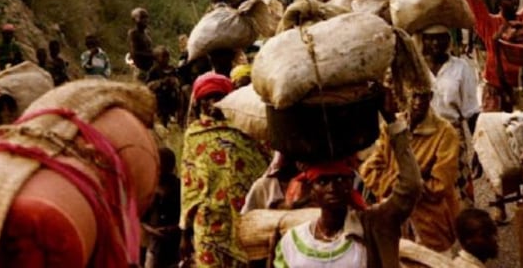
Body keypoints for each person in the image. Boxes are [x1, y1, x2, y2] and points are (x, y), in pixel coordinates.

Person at [273, 110, 421, 268]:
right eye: (323, 181)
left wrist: (393, 123)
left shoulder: (374, 225)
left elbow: (411, 186)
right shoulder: (292, 243)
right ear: (311, 189)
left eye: (340, 179)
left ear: (351, 182)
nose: (332, 187)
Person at [360, 80, 460, 253]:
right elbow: (368, 171)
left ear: (431, 97)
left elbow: (440, 186)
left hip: (431, 225)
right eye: (414, 95)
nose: (418, 102)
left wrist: (396, 181)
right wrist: (414, 178)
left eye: (424, 96)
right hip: (394, 223)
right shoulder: (390, 127)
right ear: (405, 95)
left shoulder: (445, 132)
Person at [180, 73, 269, 267]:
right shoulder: (194, 135)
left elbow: (263, 167)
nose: (213, 103)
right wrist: (185, 232)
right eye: (207, 98)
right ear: (198, 103)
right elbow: (189, 185)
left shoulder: (247, 128)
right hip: (209, 222)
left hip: (244, 216)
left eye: (219, 97)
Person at [420, 25, 481, 206]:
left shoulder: (460, 67)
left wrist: (479, 148)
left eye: (441, 38)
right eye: (431, 38)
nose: (436, 43)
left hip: (452, 136)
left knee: (458, 190)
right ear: (423, 40)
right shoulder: (416, 68)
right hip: (422, 136)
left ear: (449, 40)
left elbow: (471, 111)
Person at [143, 147, 181, 268]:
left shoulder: (179, 187)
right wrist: (152, 230)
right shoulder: (149, 186)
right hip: (153, 245)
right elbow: (140, 218)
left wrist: (171, 229)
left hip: (174, 246)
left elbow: (185, 218)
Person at [128, 7, 155, 80]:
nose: (146, 20)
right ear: (136, 19)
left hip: (149, 69)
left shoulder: (147, 34)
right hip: (140, 69)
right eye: (142, 17)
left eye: (146, 17)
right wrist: (152, 55)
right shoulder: (133, 33)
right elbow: (134, 53)